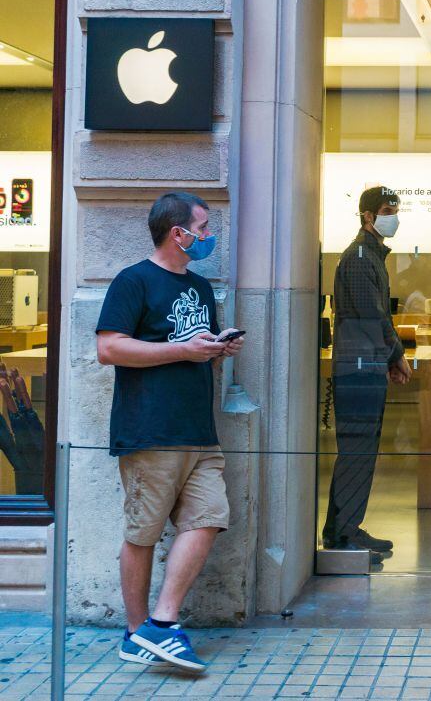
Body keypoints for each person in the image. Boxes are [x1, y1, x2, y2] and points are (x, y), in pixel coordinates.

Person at [96, 192, 244, 672]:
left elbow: (191, 345)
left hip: (200, 430)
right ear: (177, 233)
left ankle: (161, 622)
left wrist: (216, 349)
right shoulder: (132, 281)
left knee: (210, 517)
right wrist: (181, 351)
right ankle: (136, 634)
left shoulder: (200, 287)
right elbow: (110, 348)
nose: (209, 237)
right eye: (202, 228)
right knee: (144, 532)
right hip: (150, 430)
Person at [321, 186, 411, 558]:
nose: (394, 217)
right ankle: (343, 535)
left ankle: (345, 528)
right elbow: (373, 316)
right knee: (357, 451)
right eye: (388, 210)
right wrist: (397, 354)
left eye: (396, 209)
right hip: (358, 369)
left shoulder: (371, 255)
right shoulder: (359, 258)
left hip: (366, 365)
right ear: (368, 216)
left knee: (361, 451)